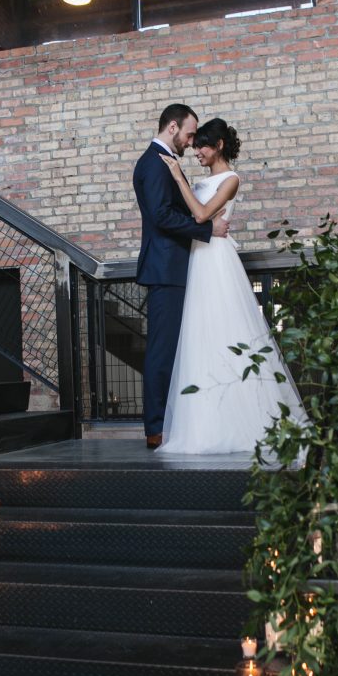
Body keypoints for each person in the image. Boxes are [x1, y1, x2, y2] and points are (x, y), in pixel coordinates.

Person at [156, 117, 307, 454]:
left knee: (227, 332)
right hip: (198, 258)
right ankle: (205, 421)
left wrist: (178, 177)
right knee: (201, 337)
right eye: (195, 147)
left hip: (216, 260)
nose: (197, 152)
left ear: (219, 145)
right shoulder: (201, 180)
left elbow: (200, 216)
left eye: (202, 146)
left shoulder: (231, 179)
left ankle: (247, 420)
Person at [133, 104, 230, 449]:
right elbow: (161, 216)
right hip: (166, 268)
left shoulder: (162, 162)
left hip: (175, 267)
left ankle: (170, 424)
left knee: (177, 349)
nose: (192, 143)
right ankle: (155, 430)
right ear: (172, 128)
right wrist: (208, 231)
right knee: (162, 351)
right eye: (190, 134)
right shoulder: (155, 163)